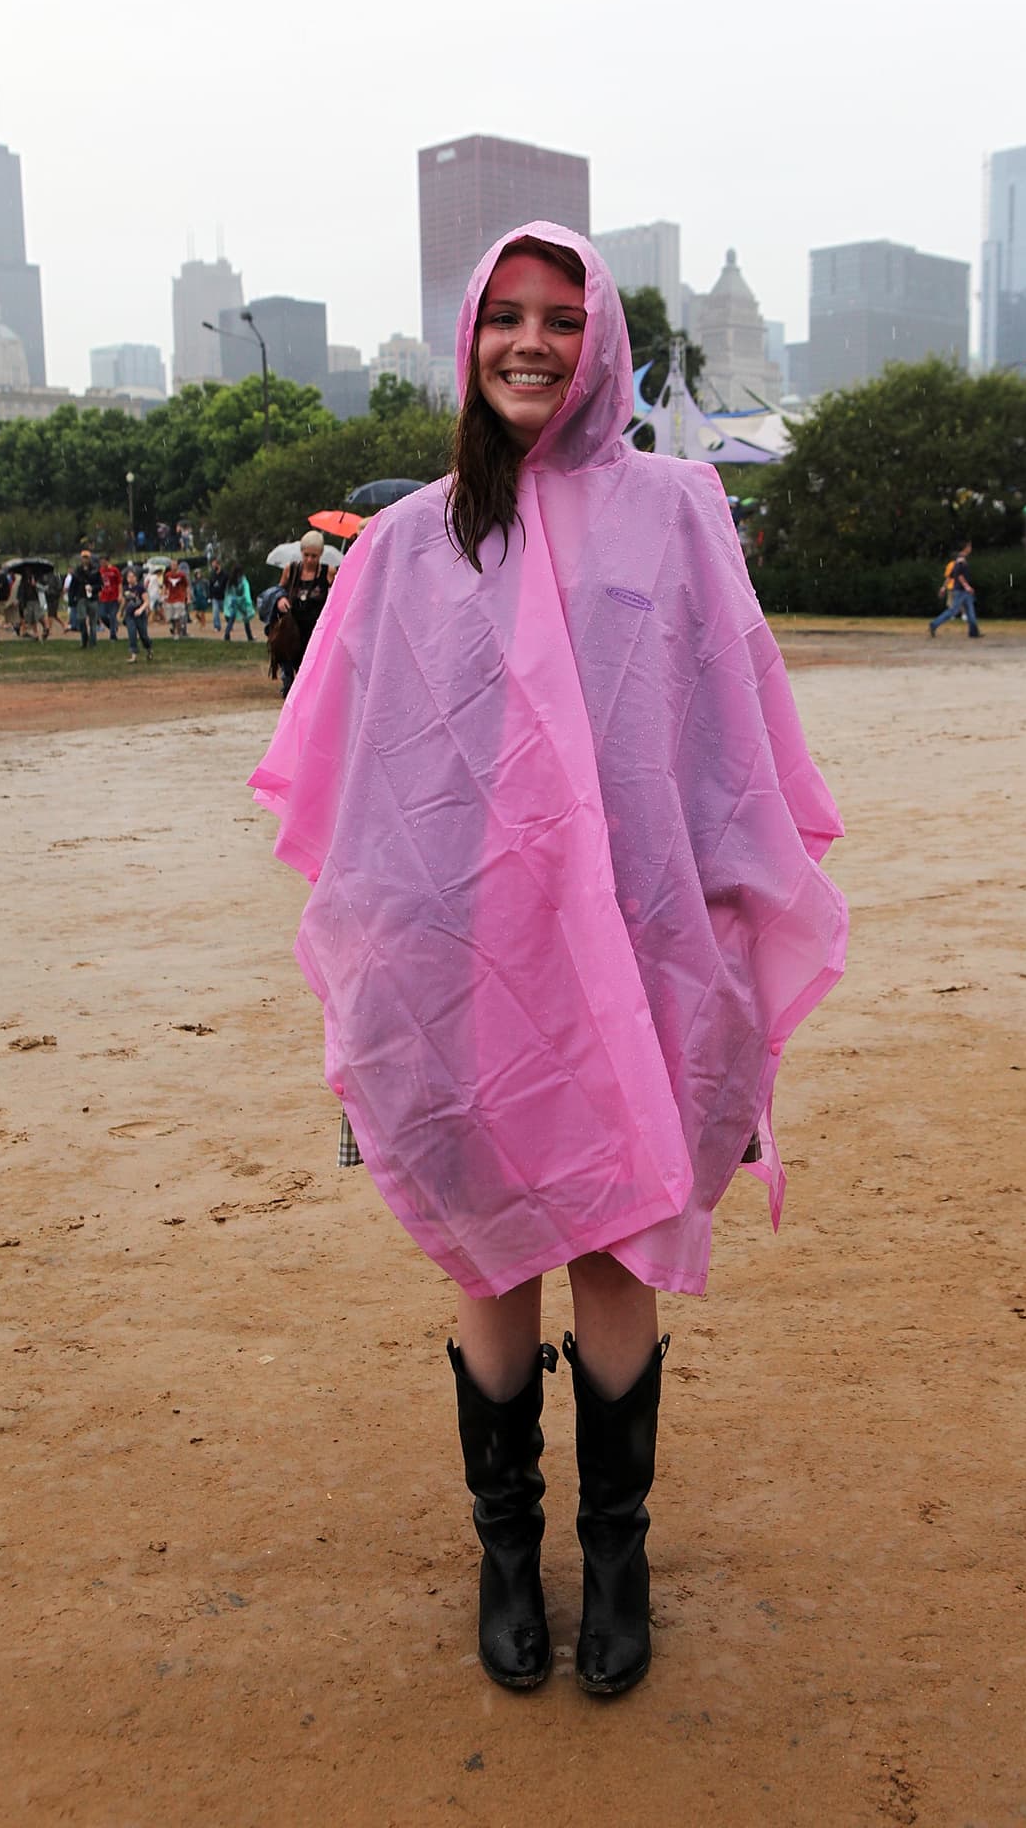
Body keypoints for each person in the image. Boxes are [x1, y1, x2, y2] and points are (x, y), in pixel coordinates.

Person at [250, 224, 847, 1700]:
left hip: (643, 953)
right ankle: (508, 1559)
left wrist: (721, 936)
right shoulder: (407, 542)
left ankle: (620, 1555)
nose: (531, 343)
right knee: (492, 1241)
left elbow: (728, 736)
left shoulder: (680, 510)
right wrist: (389, 961)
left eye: (561, 319)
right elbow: (369, 769)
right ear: (469, 340)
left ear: (606, 340)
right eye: (505, 318)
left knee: (619, 1237)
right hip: (467, 962)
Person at [265, 530, 333, 697]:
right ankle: (288, 688)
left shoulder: (328, 572)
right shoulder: (291, 569)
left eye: (314, 556)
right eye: (307, 555)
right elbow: (278, 589)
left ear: (321, 555)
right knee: (288, 666)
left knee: (309, 672)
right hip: (292, 629)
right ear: (301, 553)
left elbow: (336, 597)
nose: (310, 560)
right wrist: (280, 598)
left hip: (314, 630)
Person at [928, 540, 982, 638]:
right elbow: (960, 576)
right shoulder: (961, 560)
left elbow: (951, 576)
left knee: (970, 610)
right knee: (953, 611)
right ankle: (934, 624)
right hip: (961, 591)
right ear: (966, 548)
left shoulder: (958, 560)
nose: (971, 548)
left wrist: (943, 587)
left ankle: (973, 632)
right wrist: (967, 587)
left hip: (962, 591)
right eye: (969, 546)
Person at [69, 548, 102, 648]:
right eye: (83, 558)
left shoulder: (95, 571)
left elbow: (100, 585)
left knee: (93, 622)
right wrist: (71, 599)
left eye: (86, 558)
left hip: (93, 598)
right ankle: (84, 639)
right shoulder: (77, 571)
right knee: (81, 619)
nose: (85, 560)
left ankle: (93, 642)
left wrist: (93, 588)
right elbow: (72, 586)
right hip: (81, 597)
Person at [122, 566, 153, 662]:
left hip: (140, 616)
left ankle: (149, 649)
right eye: (128, 577)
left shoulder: (140, 588)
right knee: (132, 634)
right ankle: (133, 655)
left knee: (143, 635)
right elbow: (125, 601)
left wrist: (141, 609)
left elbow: (147, 601)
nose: (130, 579)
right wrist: (121, 611)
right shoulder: (126, 589)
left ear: (136, 578)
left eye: (132, 577)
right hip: (130, 615)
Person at [222, 566, 256, 640]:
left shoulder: (231, 581)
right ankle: (249, 637)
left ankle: (227, 635)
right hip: (240, 601)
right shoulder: (243, 580)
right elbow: (246, 592)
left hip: (233, 601)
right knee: (245, 618)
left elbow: (228, 593)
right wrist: (248, 601)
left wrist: (228, 603)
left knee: (232, 618)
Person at [163, 556, 191, 637]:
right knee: (171, 617)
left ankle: (177, 632)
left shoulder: (182, 575)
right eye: (172, 565)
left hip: (180, 598)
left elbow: (187, 586)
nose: (173, 566)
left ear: (177, 566)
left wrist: (188, 597)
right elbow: (165, 585)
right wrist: (164, 595)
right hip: (171, 598)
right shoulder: (167, 575)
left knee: (178, 616)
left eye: (175, 564)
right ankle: (176, 629)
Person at [98, 556, 122, 640]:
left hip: (114, 597)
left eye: (103, 562)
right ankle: (113, 627)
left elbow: (119, 583)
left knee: (112, 616)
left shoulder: (114, 570)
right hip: (104, 597)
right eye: (101, 562)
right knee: (102, 615)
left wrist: (120, 594)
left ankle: (113, 635)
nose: (102, 564)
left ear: (107, 561)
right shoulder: (100, 571)